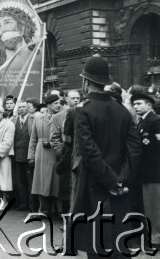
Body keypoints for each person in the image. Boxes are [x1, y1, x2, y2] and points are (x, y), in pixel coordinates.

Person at [70, 55, 142, 257]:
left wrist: (110, 181)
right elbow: (134, 149)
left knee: (97, 242)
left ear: (85, 82)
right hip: (121, 184)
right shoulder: (122, 110)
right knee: (118, 240)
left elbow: (89, 151)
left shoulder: (83, 110)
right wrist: (121, 180)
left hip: (95, 182)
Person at [131, 93, 160, 248]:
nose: (135, 106)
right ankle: (151, 235)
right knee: (148, 206)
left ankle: (156, 238)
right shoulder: (141, 122)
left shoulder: (155, 120)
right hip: (145, 171)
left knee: (154, 206)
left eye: (139, 103)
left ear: (149, 105)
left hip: (154, 171)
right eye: (134, 104)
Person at [27, 94, 61, 216]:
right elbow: (33, 139)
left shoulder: (62, 117)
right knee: (42, 182)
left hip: (56, 152)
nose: (59, 105)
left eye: (59, 103)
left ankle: (59, 210)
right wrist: (30, 156)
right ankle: (44, 210)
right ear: (49, 105)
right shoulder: (38, 118)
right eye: (56, 103)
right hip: (41, 152)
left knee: (56, 182)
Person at [50, 90, 80, 217]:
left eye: (78, 98)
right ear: (66, 99)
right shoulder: (58, 117)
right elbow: (54, 138)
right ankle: (66, 217)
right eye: (73, 98)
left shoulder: (86, 113)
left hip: (80, 156)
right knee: (65, 189)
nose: (76, 100)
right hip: (66, 157)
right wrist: (63, 152)